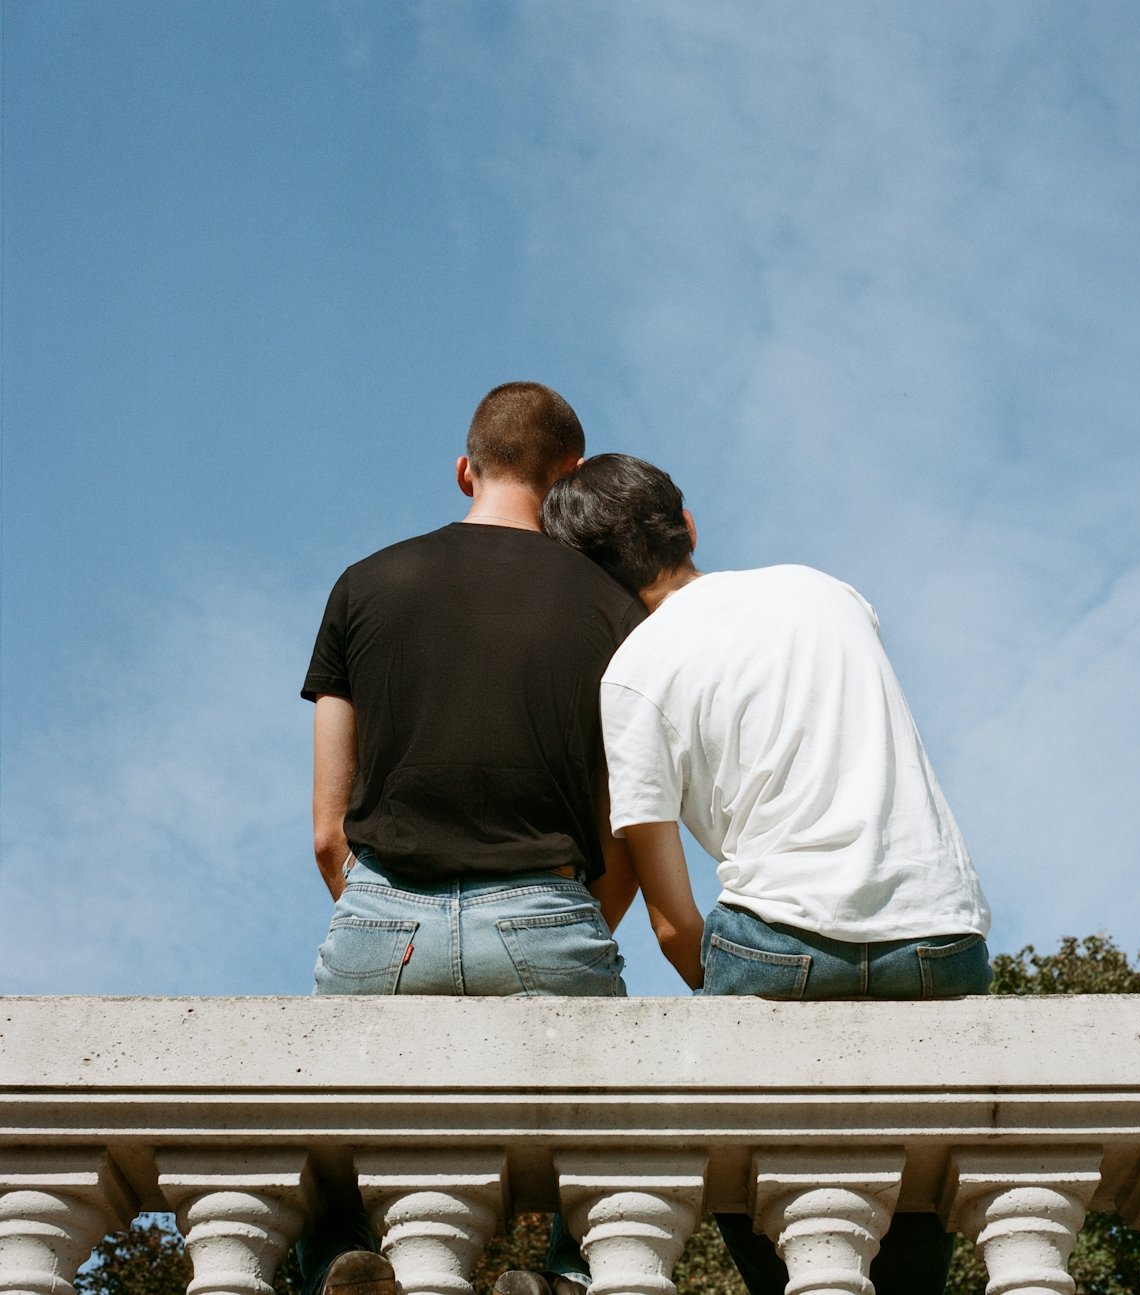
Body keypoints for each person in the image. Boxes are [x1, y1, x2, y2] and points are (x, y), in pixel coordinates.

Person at [539, 453, 993, 1295]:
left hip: (783, 943)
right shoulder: (827, 590)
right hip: (943, 935)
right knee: (911, 1181)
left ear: (591, 584)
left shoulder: (633, 675)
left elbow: (674, 923)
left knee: (725, 1149)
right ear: (690, 528)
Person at [298, 385, 645, 1295]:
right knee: (603, 1187)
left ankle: (341, 1260)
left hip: (382, 916)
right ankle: (559, 1280)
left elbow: (330, 830)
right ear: (570, 476)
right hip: (546, 912)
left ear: (465, 468)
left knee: (324, 1175)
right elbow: (623, 829)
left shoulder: (363, 583)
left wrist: (394, 913)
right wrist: (555, 909)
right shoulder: (617, 611)